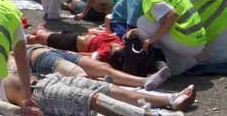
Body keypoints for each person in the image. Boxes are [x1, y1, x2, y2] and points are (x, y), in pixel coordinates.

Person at [3, 60, 193, 116]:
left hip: (47, 79)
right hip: (40, 94)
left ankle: (170, 100)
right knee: (92, 99)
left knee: (109, 90)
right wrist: (20, 111)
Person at [126, 0, 206, 75]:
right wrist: (138, 32)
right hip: (199, 39)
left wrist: (151, 40)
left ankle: (169, 64)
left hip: (188, 43)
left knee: (143, 22)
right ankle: (184, 62)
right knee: (151, 27)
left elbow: (172, 15)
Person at [23, 40, 172, 89]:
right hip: (36, 57)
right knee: (80, 75)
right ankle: (101, 85)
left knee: (105, 69)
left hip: (55, 50)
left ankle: (144, 81)